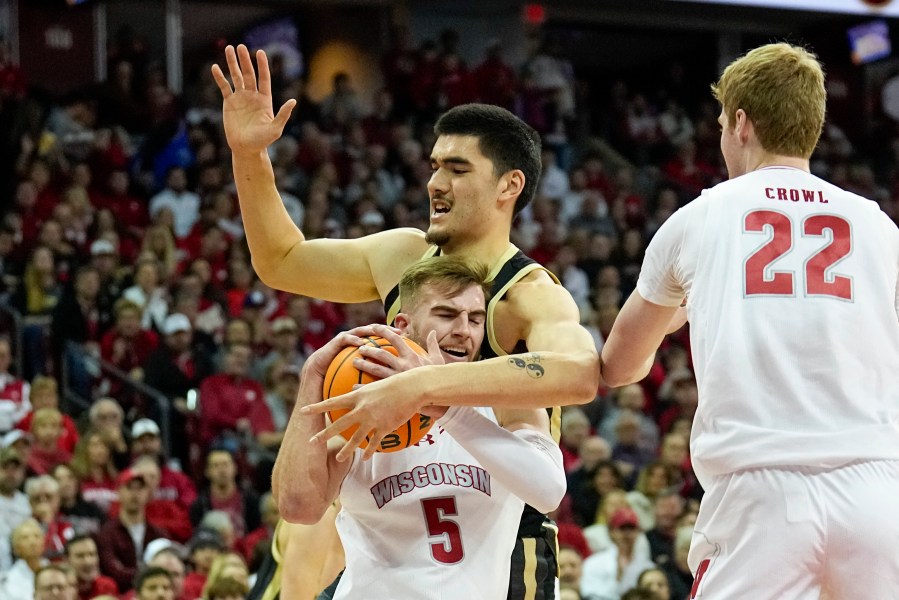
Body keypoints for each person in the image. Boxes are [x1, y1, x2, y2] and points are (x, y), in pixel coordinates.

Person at [213, 44, 599, 599]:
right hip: (393, 512)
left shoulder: (530, 295)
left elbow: (580, 372)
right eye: (434, 166)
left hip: (498, 533)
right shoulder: (402, 256)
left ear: (508, 186)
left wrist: (424, 385)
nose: (434, 184)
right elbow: (281, 261)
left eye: (457, 169)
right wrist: (249, 156)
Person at [600, 42, 899, 599]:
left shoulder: (699, 217)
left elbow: (618, 366)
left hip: (761, 495)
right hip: (878, 493)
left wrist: (678, 314)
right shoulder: (878, 226)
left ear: (740, 123)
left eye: (720, 123)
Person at [273, 256, 566, 599]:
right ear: (403, 324)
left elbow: (549, 491)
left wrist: (440, 402)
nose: (463, 330)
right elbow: (298, 509)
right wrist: (311, 379)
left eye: (475, 319)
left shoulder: (506, 404)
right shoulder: (360, 404)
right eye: (446, 314)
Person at [65, 534, 118, 600]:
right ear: (67, 560)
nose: (88, 562)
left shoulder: (107, 586)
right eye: (80, 556)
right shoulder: (60, 589)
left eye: (92, 554)